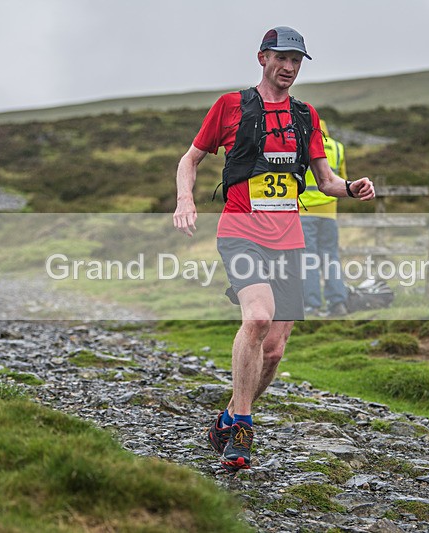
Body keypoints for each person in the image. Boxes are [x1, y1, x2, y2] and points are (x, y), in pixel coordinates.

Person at [173, 26, 375, 473]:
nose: (288, 68)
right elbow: (190, 160)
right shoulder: (231, 106)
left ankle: (228, 414)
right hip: (241, 231)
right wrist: (185, 198)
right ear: (262, 57)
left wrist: (352, 187)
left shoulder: (306, 117)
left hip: (289, 238)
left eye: (296, 61)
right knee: (258, 318)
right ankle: (243, 427)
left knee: (275, 349)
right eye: (281, 58)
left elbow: (325, 182)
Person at [299, 119, 350, 317]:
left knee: (309, 259)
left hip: (304, 211)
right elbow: (342, 179)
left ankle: (311, 305)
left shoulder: (303, 144)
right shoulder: (338, 148)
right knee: (331, 257)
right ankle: (338, 303)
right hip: (330, 213)